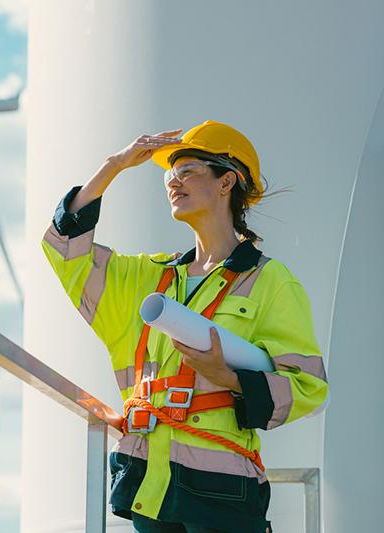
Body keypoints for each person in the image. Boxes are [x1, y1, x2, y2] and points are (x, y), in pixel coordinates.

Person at [40, 120, 328, 533]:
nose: (173, 181)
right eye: (169, 175)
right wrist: (114, 166)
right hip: (148, 485)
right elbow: (64, 248)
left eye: (188, 170)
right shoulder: (145, 278)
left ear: (227, 181)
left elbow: (309, 387)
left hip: (222, 491)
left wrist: (226, 377)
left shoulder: (270, 281)